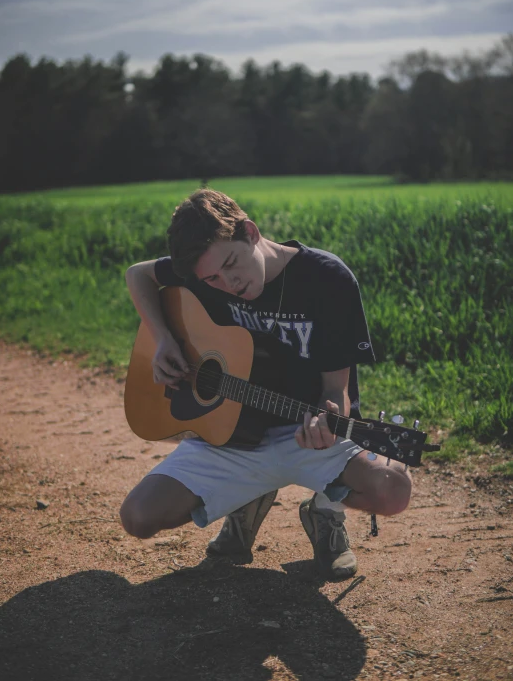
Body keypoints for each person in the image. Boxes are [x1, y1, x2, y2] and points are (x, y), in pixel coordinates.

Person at [120, 189, 412, 580]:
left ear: (251, 233)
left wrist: (328, 418)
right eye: (212, 278)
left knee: (394, 491)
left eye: (231, 264)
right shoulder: (204, 271)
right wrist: (162, 339)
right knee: (138, 517)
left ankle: (325, 510)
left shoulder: (328, 278)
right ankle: (248, 498)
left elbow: (333, 392)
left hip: (307, 431)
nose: (227, 283)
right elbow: (137, 274)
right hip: (230, 440)